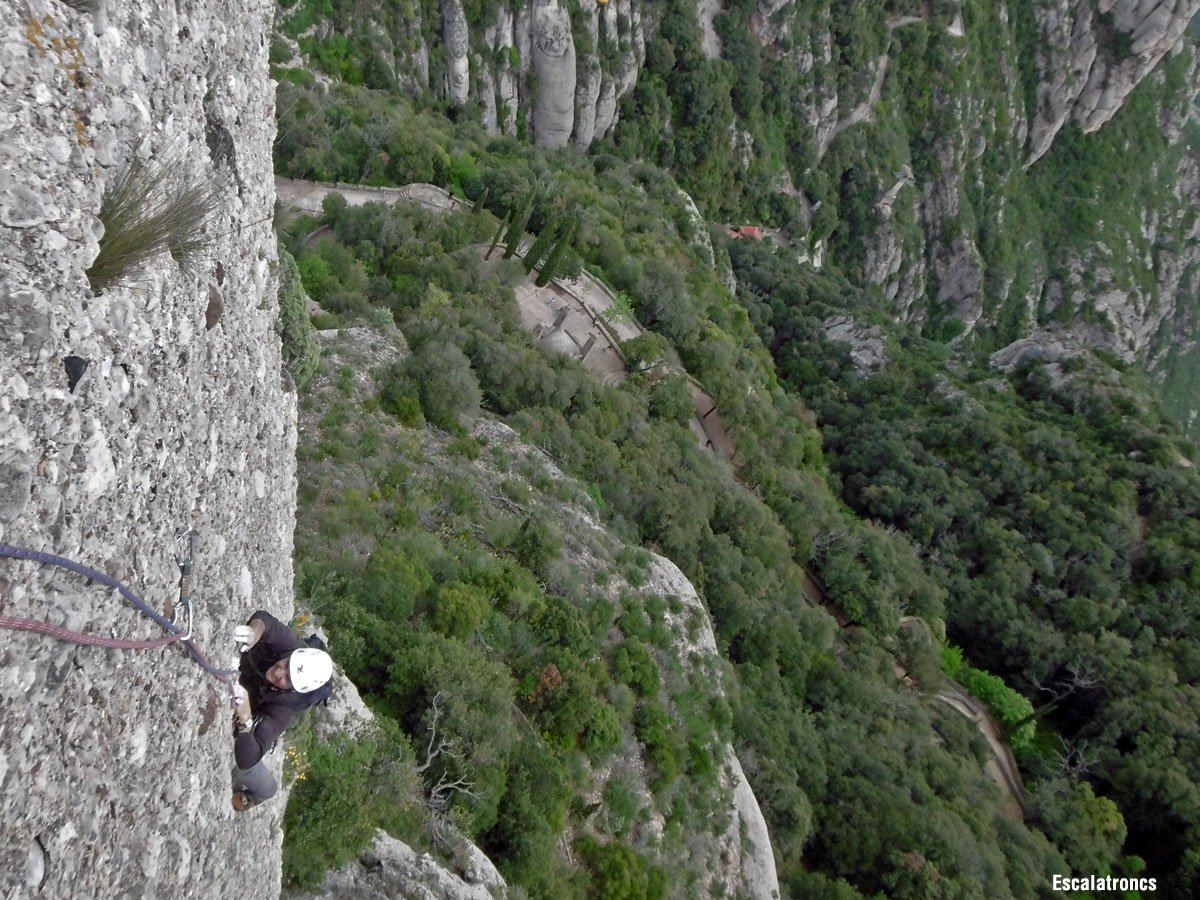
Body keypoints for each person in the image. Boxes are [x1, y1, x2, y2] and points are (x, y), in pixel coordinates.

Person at [229, 609, 333, 811]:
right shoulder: (294, 648)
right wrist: (255, 632)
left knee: (267, 788)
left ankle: (257, 796)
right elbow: (266, 620)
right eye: (286, 665)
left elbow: (247, 759)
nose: (278, 672)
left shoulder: (286, 709)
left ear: (294, 689)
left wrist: (245, 721)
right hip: (252, 677)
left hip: (258, 703)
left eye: (287, 678)